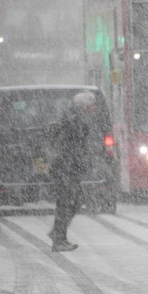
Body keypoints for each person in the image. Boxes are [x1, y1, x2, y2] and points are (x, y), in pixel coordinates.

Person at [48, 92, 97, 252]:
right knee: (68, 202)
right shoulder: (76, 121)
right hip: (67, 168)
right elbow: (71, 145)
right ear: (85, 107)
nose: (92, 109)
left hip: (64, 167)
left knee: (70, 201)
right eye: (91, 106)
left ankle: (58, 234)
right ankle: (59, 239)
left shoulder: (69, 116)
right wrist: (79, 158)